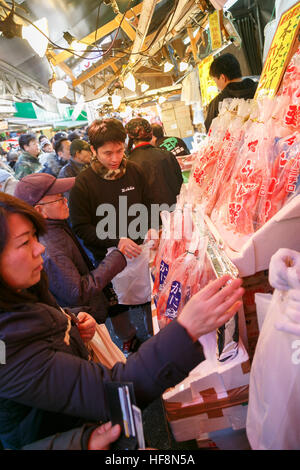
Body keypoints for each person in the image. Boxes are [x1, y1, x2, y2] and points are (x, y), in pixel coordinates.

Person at [0, 191, 244, 449]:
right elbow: (115, 390)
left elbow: (41, 327)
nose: (40, 248)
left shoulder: (22, 291)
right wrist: (186, 329)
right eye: (24, 243)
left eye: (35, 238)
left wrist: (70, 324)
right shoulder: (8, 346)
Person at [69, 119, 157, 354]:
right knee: (116, 303)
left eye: (119, 150)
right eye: (108, 153)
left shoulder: (134, 171)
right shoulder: (83, 184)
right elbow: (81, 227)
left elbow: (149, 205)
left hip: (140, 250)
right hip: (107, 256)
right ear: (93, 151)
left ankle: (153, 333)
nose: (115, 158)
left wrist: (151, 226)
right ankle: (128, 339)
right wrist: (116, 240)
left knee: (149, 294)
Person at [14, 173, 128, 324]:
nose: (65, 201)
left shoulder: (56, 226)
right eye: (59, 198)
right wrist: (118, 256)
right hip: (83, 320)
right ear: (39, 211)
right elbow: (77, 293)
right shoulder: (49, 248)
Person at [125, 118, 183, 207]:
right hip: (174, 212)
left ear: (130, 137)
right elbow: (179, 182)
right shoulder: (167, 155)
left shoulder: (130, 163)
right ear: (151, 134)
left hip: (150, 216)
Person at [204, 53, 258, 133]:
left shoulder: (216, 103)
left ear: (222, 78)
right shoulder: (258, 88)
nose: (216, 85)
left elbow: (210, 132)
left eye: (215, 80)